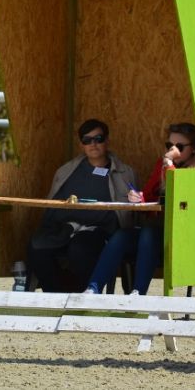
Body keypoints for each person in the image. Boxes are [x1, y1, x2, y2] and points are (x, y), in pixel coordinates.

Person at [84, 122, 195, 295]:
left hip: (183, 239)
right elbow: (148, 196)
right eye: (169, 145)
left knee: (148, 232)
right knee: (122, 235)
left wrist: (168, 163)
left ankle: (138, 293)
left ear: (193, 149)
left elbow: (180, 195)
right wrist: (138, 197)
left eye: (179, 147)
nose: (173, 150)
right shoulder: (162, 165)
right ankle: (93, 288)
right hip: (157, 233)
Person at [26, 118, 137, 292]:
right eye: (87, 140)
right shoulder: (66, 171)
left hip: (102, 231)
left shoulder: (124, 173)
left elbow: (131, 213)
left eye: (98, 139)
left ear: (107, 140)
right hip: (67, 227)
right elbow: (53, 207)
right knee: (36, 246)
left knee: (80, 248)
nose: (93, 144)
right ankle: (56, 295)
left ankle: (81, 295)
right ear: (81, 144)